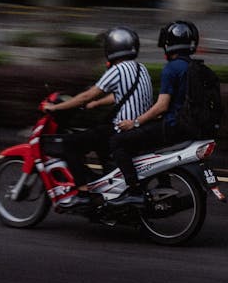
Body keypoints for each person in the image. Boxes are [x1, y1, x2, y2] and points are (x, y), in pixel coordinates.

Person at [43, 26, 154, 208]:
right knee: (96, 135)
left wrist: (56, 108)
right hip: (138, 128)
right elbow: (122, 94)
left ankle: (83, 193)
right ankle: (108, 187)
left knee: (70, 143)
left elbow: (87, 95)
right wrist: (97, 103)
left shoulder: (117, 70)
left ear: (112, 48)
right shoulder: (141, 69)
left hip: (121, 129)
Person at [109, 19, 200, 208]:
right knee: (147, 137)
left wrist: (134, 122)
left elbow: (161, 106)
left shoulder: (172, 68)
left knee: (118, 142)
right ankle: (163, 185)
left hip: (174, 127)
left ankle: (133, 191)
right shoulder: (197, 68)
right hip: (191, 128)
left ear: (168, 44)